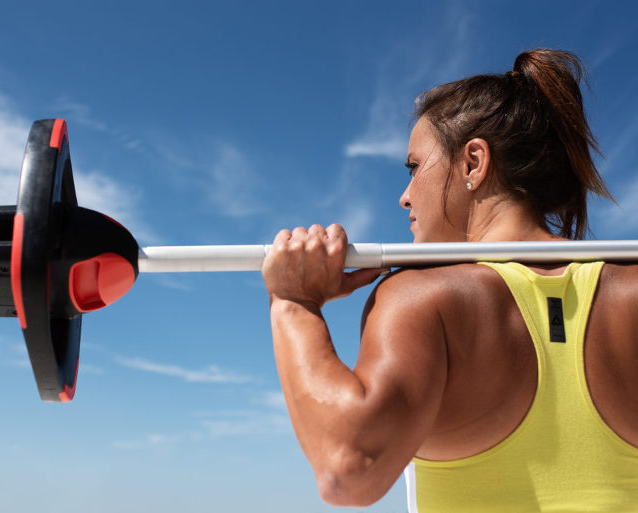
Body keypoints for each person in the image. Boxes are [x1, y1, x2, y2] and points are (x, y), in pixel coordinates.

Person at [262, 49, 638, 512]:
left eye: (415, 167)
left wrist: (293, 302)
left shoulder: (421, 298)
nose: (404, 197)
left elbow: (348, 470)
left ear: (473, 164)